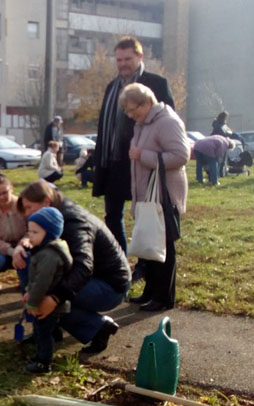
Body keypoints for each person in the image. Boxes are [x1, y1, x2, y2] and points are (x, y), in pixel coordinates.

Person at [14, 181, 130, 355]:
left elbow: (84, 267)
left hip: (110, 286)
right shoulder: (52, 216)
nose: (27, 214)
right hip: (88, 277)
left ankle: (98, 327)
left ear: (46, 202)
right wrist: (22, 243)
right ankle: (47, 328)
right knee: (28, 260)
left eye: (29, 208)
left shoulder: (74, 222)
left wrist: (54, 298)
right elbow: (38, 236)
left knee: (48, 292)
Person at [93, 36, 174, 256]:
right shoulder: (112, 86)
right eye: (118, 60)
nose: (122, 64)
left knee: (144, 215)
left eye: (127, 59)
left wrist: (150, 154)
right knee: (112, 216)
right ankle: (120, 262)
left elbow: (167, 123)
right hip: (112, 162)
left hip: (141, 161)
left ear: (140, 57)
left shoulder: (156, 83)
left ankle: (145, 263)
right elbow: (105, 127)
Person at [120, 83, 190, 311]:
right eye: (128, 112)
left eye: (134, 110)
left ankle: (164, 298)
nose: (131, 116)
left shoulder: (167, 122)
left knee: (164, 247)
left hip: (164, 196)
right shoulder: (143, 123)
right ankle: (151, 293)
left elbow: (181, 155)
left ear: (147, 102)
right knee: (150, 246)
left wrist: (144, 156)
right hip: (148, 196)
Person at [23, 207, 72, 374]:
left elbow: (42, 282)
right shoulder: (43, 251)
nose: (30, 235)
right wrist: (28, 291)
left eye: (35, 232)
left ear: (50, 234)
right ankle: (41, 354)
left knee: (43, 332)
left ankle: (44, 362)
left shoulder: (49, 256)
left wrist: (32, 302)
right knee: (43, 330)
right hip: (42, 299)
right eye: (29, 231)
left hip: (45, 303)